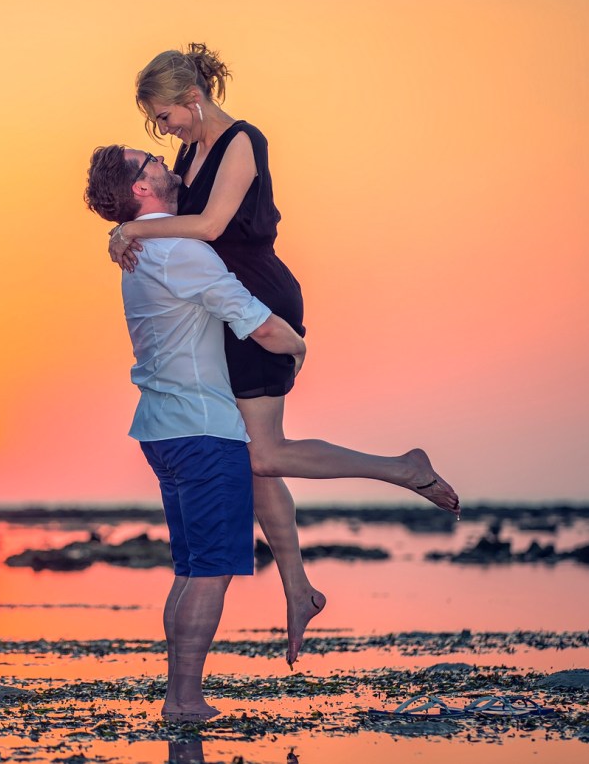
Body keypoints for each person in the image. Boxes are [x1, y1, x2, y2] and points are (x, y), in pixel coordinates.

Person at [109, 44, 461, 667]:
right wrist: (129, 228)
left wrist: (132, 229)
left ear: (190, 99)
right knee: (254, 459)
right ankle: (298, 587)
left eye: (163, 117)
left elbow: (213, 227)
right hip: (228, 305)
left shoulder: (242, 141)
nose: (163, 131)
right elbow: (181, 227)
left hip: (259, 302)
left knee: (265, 453)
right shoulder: (190, 152)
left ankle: (403, 468)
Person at [84, 144, 307, 721]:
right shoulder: (178, 250)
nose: (162, 160)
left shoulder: (140, 248)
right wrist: (297, 345)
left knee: (189, 570)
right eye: (149, 161)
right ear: (140, 188)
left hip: (165, 432)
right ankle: (183, 701)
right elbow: (255, 320)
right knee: (210, 573)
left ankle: (179, 694)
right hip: (205, 432)